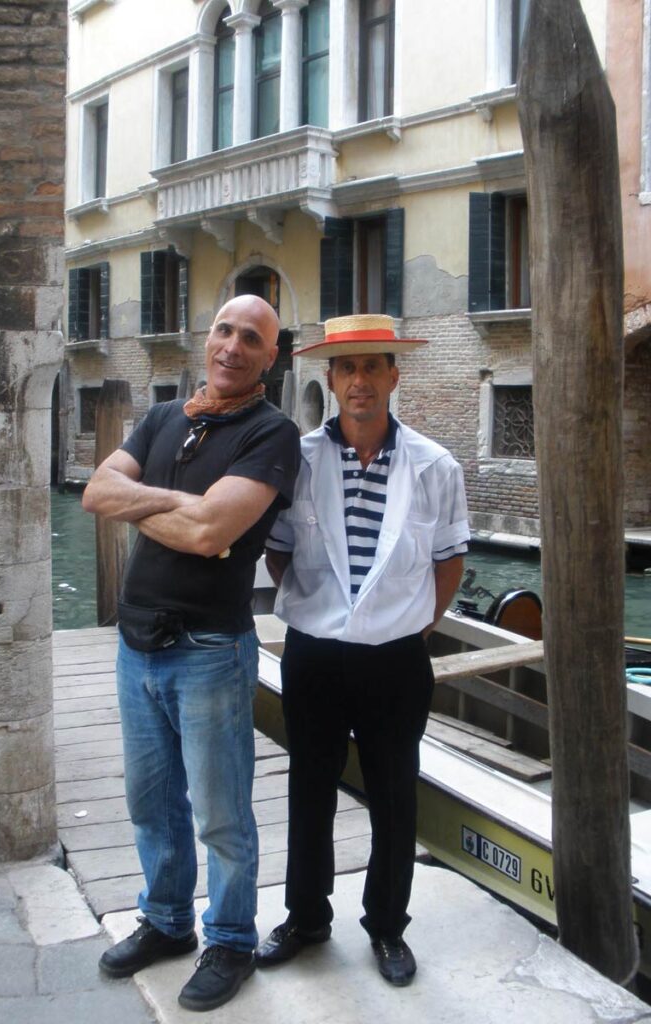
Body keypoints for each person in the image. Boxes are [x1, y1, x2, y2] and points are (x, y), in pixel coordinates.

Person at [82, 294, 301, 1012]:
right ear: (207, 337)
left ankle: (232, 939)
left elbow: (213, 535)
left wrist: (144, 499)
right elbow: (94, 492)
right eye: (224, 330)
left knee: (219, 813)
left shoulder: (272, 434)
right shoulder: (162, 416)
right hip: (135, 643)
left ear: (272, 357)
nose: (232, 346)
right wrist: (182, 508)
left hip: (210, 647)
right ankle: (168, 922)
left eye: (252, 338)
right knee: (150, 804)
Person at [256, 314, 469, 986]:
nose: (360, 381)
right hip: (314, 654)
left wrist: (405, 624)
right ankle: (306, 917)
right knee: (309, 788)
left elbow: (448, 564)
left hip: (397, 659)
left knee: (394, 795)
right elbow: (279, 553)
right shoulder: (300, 459)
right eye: (347, 368)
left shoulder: (436, 467)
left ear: (394, 376)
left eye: (373, 366)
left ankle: (386, 927)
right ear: (331, 378)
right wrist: (328, 616)